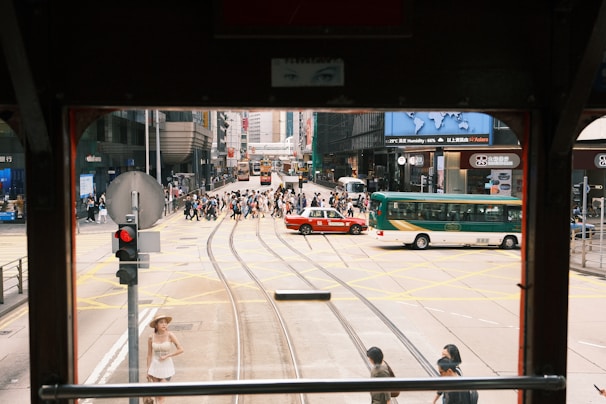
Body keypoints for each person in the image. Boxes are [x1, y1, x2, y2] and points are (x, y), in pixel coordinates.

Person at [147, 314, 184, 404]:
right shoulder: (151, 337)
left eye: (165, 323)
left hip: (167, 367)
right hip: (155, 367)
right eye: (161, 322)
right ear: (156, 325)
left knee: (161, 395)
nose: (164, 324)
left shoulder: (170, 335)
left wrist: (167, 356)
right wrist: (148, 370)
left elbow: (181, 349)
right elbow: (149, 354)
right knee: (156, 395)